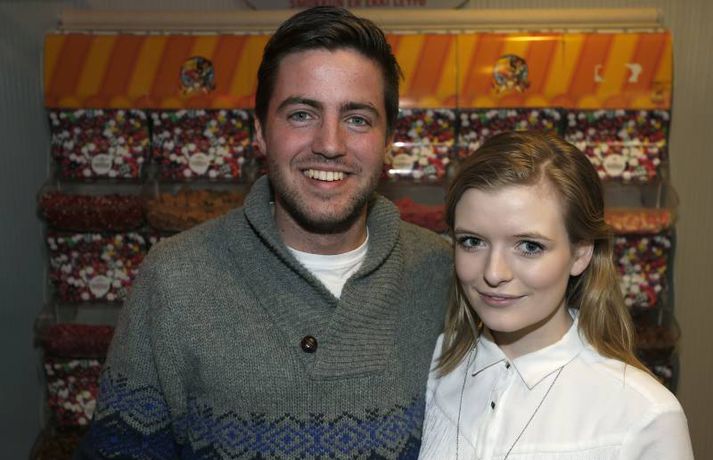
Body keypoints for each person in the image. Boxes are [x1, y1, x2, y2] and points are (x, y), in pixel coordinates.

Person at [77, 6, 451, 459]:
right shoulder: (175, 279)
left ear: (388, 140)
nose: (329, 144)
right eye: (301, 114)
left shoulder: (445, 274)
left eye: (357, 119)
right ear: (259, 132)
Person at [418, 131, 693, 459]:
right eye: (472, 241)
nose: (493, 272)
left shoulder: (644, 416)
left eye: (529, 246)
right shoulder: (439, 362)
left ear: (581, 253)